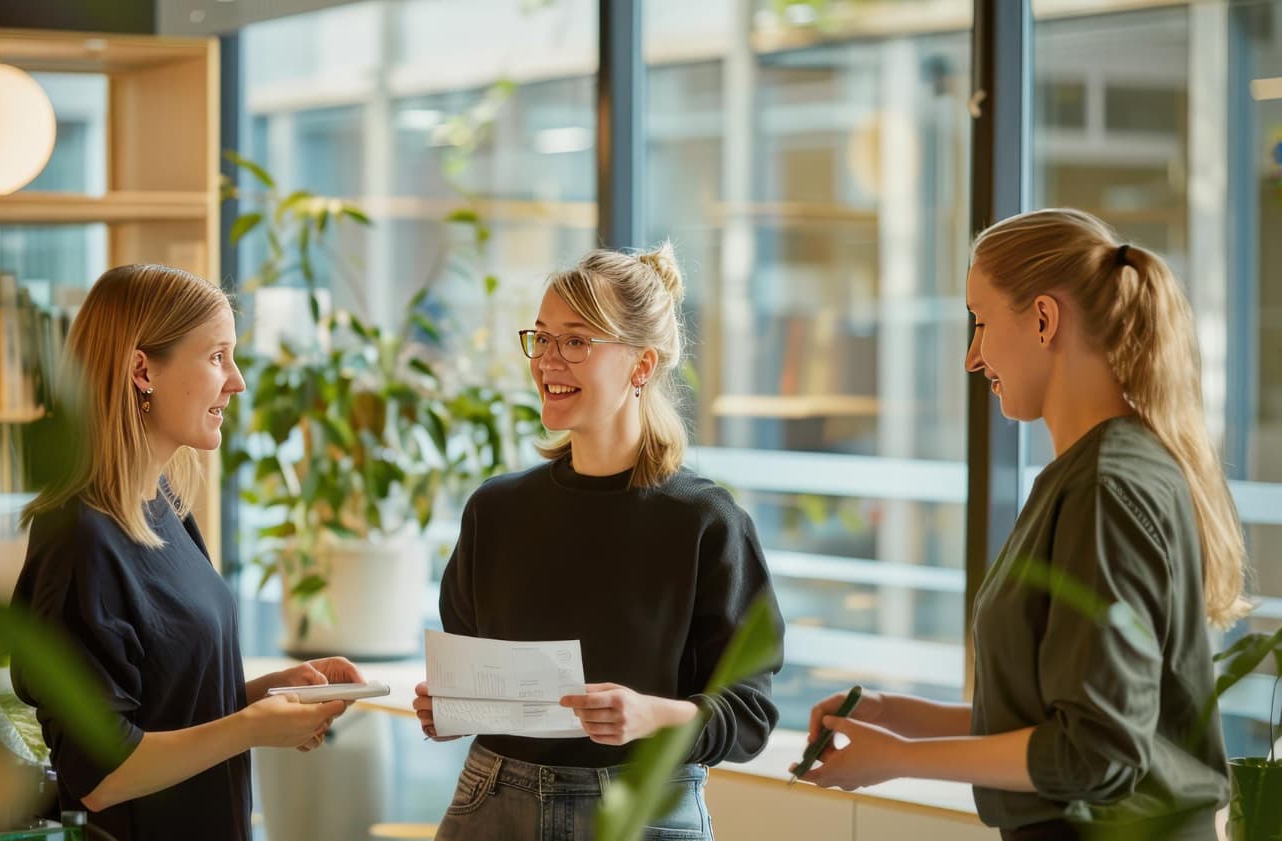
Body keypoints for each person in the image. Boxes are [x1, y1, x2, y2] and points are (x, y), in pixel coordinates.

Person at [795, 209, 1248, 841]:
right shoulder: (1099, 473)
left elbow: (1096, 753)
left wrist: (896, 758)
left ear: (1042, 318)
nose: (972, 358)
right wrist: (900, 718)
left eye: (980, 322)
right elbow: (1067, 720)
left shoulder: (1104, 488)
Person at [412, 244, 784, 841]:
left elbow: (750, 714)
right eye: (542, 338)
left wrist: (651, 715)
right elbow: (475, 670)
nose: (548, 360)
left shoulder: (705, 521)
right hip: (494, 800)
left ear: (641, 365)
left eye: (577, 341)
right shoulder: (495, 510)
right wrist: (453, 708)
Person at [11, 264, 364, 841]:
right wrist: (250, 726)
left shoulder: (162, 505)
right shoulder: (79, 539)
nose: (237, 381)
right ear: (142, 370)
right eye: (217, 356)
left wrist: (269, 696)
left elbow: (166, 707)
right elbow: (102, 774)